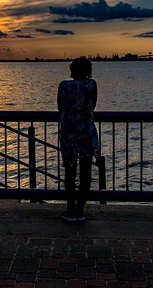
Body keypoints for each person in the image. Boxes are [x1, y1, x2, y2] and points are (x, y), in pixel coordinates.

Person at [57, 56, 99, 222]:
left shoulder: (64, 86)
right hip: (86, 132)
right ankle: (80, 209)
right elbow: (93, 105)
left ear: (72, 70)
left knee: (69, 172)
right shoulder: (92, 85)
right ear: (88, 71)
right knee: (86, 172)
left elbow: (60, 107)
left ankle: (70, 207)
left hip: (68, 132)